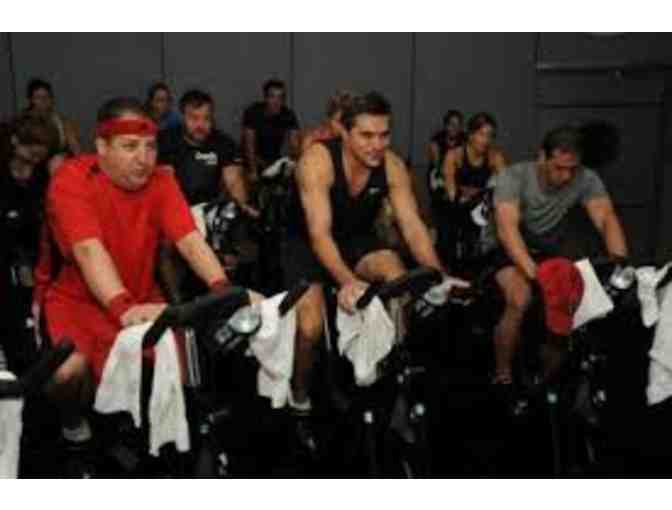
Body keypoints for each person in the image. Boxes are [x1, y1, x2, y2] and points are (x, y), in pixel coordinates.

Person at [40, 97, 255, 457]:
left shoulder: (161, 181)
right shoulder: (72, 179)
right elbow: (89, 250)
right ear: (102, 147)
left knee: (179, 374)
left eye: (150, 146)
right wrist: (123, 308)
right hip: (79, 302)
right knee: (68, 375)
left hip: (140, 296)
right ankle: (73, 424)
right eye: (130, 147)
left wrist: (225, 292)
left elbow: (190, 241)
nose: (144, 159)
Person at [282, 91, 468, 450]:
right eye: (367, 135)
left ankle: (391, 372)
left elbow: (412, 226)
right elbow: (319, 235)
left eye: (384, 135)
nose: (377, 145)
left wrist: (437, 274)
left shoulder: (392, 166)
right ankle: (300, 397)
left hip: (355, 239)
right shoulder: (317, 161)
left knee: (397, 275)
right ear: (345, 133)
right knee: (310, 328)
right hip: (305, 244)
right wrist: (348, 282)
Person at [483, 125, 628, 399]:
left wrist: (620, 265)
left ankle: (545, 378)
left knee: (570, 302)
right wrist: (536, 275)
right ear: (542, 157)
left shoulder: (585, 178)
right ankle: (502, 373)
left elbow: (606, 217)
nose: (566, 176)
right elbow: (507, 230)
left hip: (547, 246)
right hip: (504, 246)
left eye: (572, 169)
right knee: (520, 298)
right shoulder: (512, 177)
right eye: (559, 168)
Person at [0, 114, 59, 370]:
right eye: (31, 143)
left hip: (39, 262)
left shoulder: (46, 177)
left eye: (43, 145)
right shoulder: (4, 176)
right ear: (15, 141)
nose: (38, 150)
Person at [157, 89, 256, 216]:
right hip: (175, 210)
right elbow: (164, 186)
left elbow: (234, 182)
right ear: (183, 117)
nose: (201, 125)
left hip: (210, 210)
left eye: (206, 118)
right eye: (194, 118)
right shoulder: (166, 141)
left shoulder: (224, 143)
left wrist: (242, 209)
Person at [435, 112, 507, 267]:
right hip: (457, 206)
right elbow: (451, 191)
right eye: (481, 134)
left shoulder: (495, 157)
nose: (486, 140)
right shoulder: (455, 155)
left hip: (481, 206)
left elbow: (506, 187)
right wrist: (464, 198)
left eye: (490, 136)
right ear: (471, 135)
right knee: (448, 220)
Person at [242, 79, 300, 181]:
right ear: (265, 98)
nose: (276, 102)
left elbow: (294, 144)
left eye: (280, 98)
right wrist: (253, 170)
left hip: (274, 160)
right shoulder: (253, 112)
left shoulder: (288, 115)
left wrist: (292, 163)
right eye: (272, 97)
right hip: (252, 158)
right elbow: (249, 144)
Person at [24, 78, 81, 157]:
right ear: (30, 100)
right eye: (38, 97)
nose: (43, 100)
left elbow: (75, 148)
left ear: (52, 99)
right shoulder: (23, 122)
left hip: (60, 160)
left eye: (47, 96)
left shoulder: (61, 121)